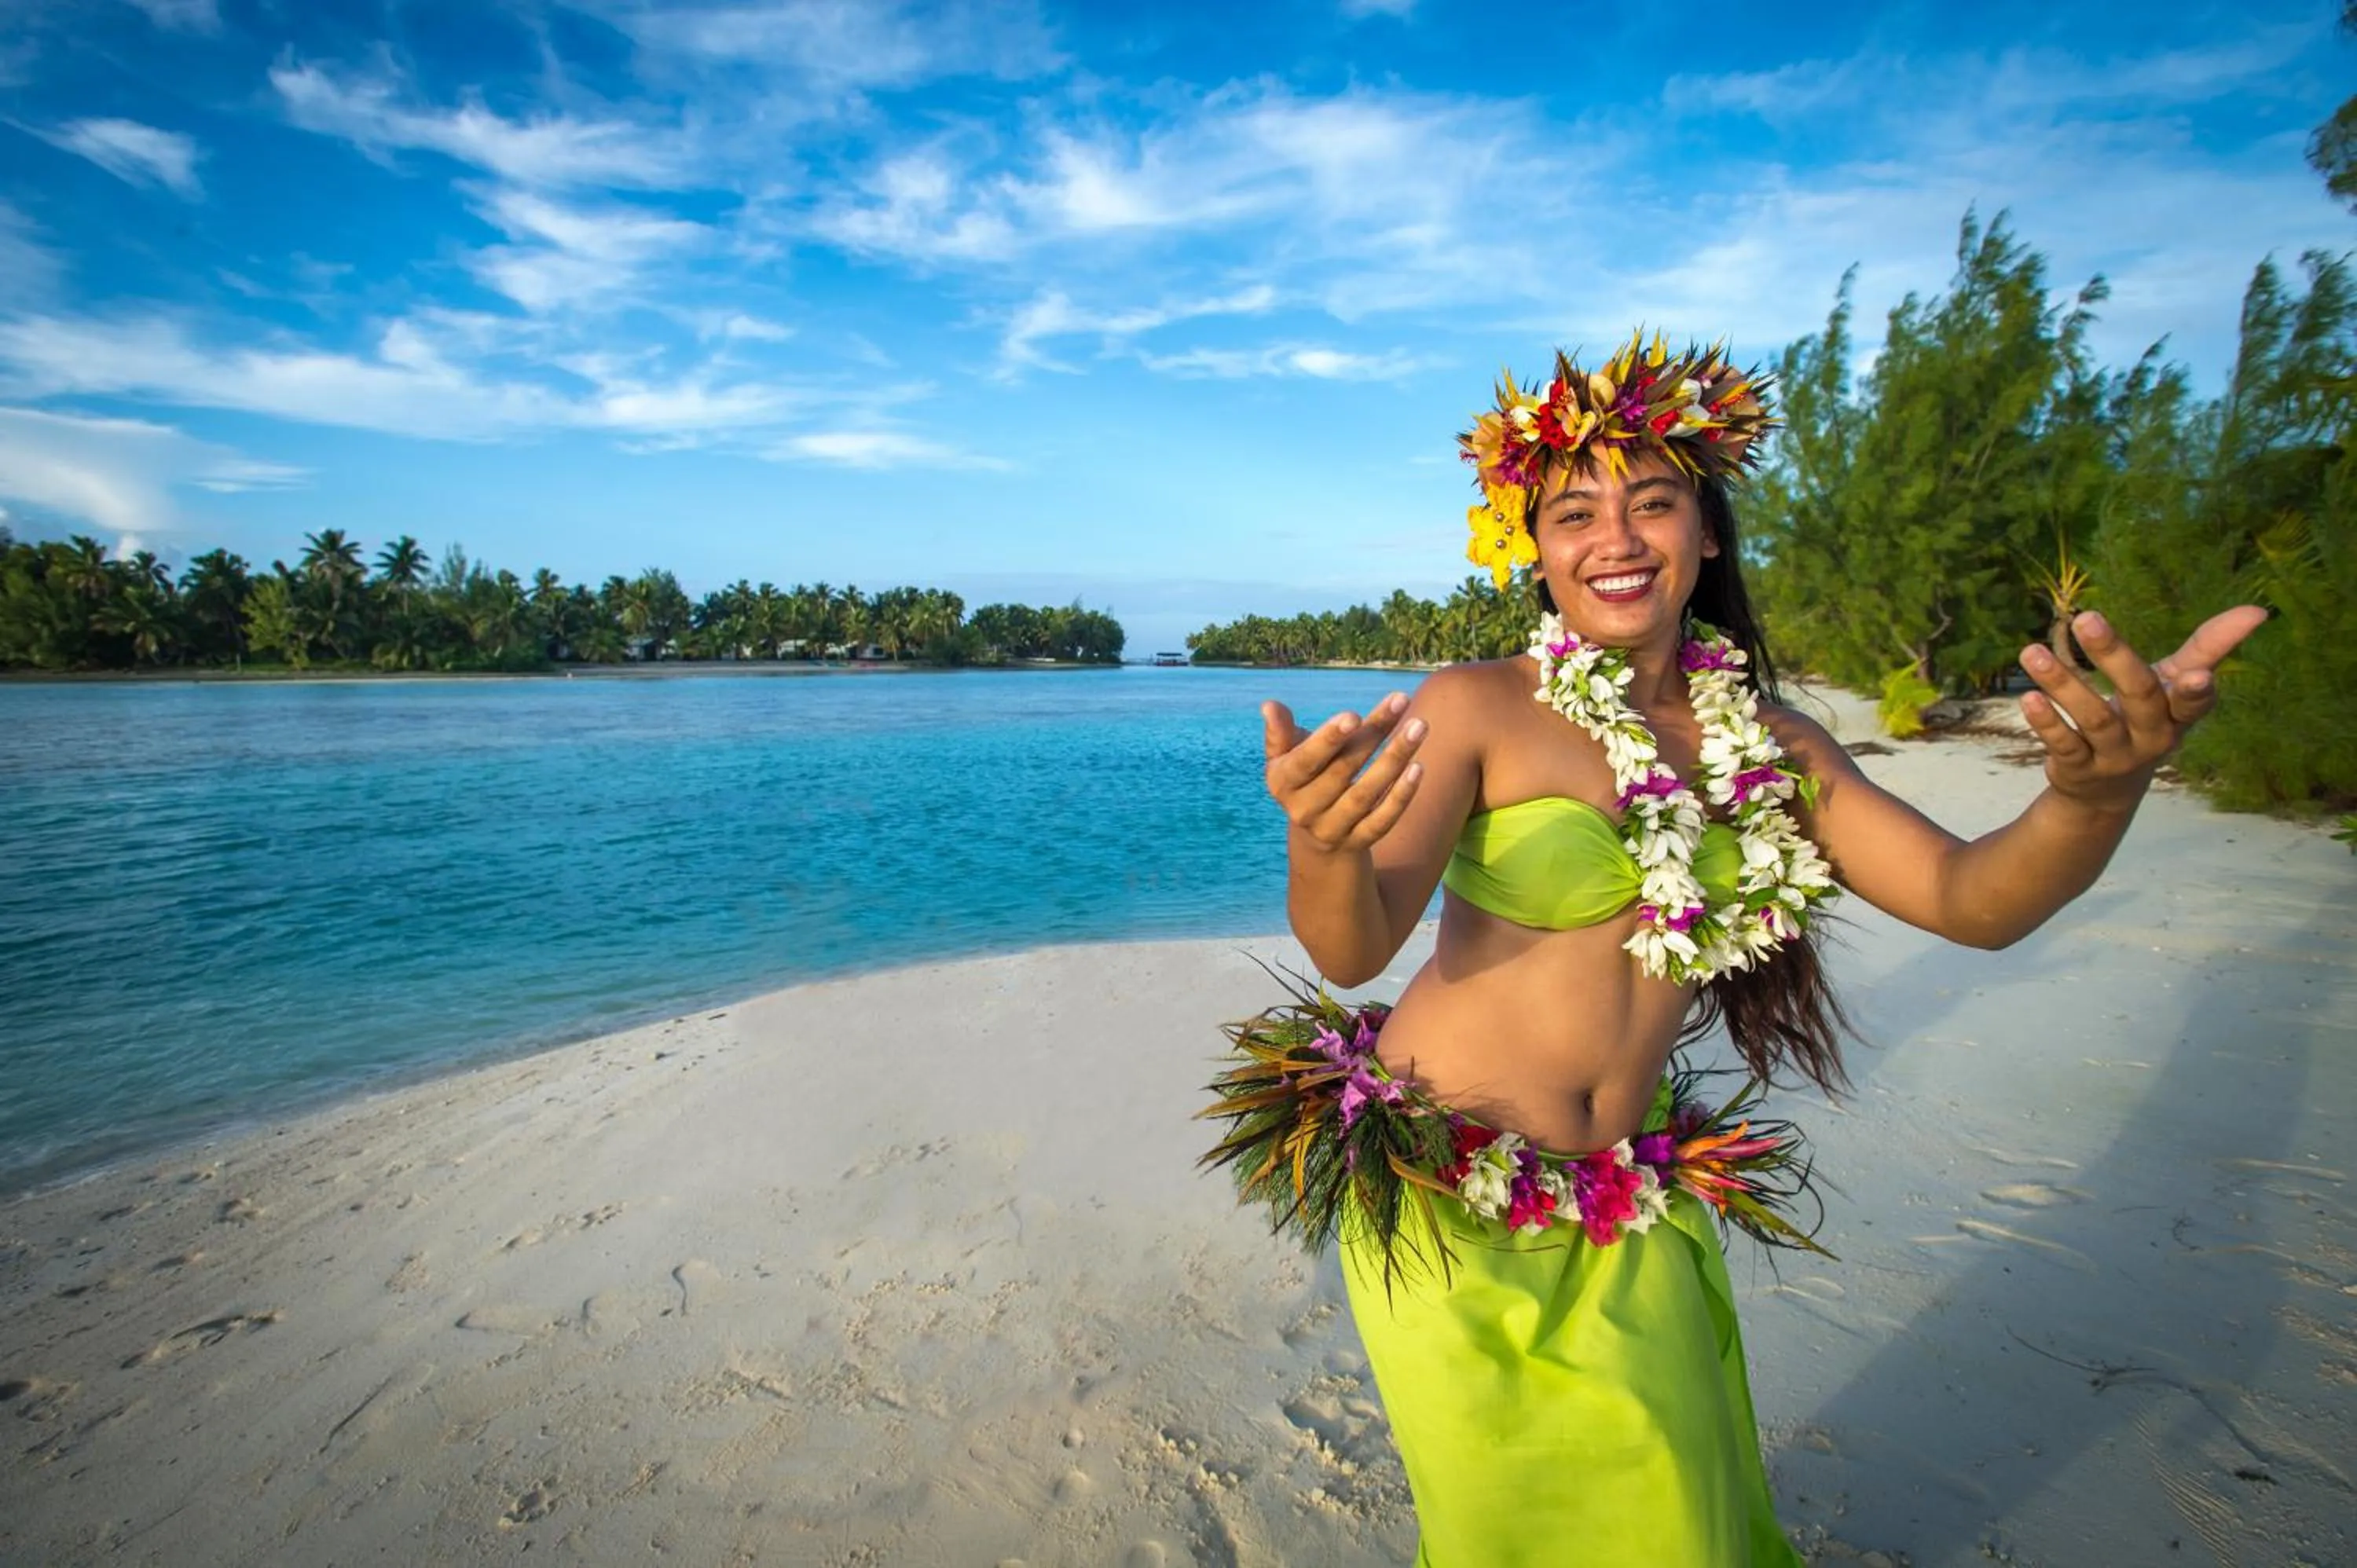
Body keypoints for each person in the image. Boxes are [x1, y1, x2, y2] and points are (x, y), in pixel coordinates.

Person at [1202, 331, 2265, 1566]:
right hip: (1453, 1201)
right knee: (1524, 1535)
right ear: (1530, 548)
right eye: (1573, 512)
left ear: (1706, 532)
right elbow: (1355, 944)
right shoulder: (1478, 705)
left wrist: (2092, 798)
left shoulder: (1774, 741)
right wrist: (1323, 847)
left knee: (1689, 1523)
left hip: (1631, 1198)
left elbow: (1974, 901)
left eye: (1653, 502)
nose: (1616, 538)